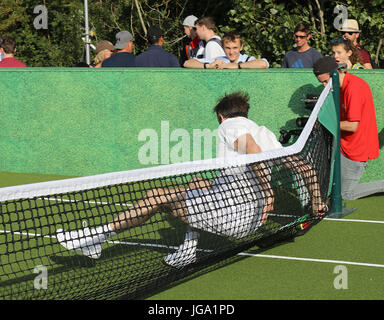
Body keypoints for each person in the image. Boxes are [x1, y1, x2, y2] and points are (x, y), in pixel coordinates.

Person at [57, 91, 326, 268]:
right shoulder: (265, 133)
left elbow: (252, 152)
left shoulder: (229, 126)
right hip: (250, 218)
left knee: (157, 195)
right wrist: (317, 204)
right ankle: (187, 250)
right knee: (197, 184)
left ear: (221, 115)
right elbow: (305, 169)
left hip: (233, 215)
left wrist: (267, 194)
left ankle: (95, 239)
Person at [313, 56, 384, 200]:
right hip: (344, 146)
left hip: (357, 149)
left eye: (326, 81)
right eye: (322, 83)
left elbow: (352, 126)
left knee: (345, 194)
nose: (324, 86)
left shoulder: (354, 88)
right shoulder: (338, 87)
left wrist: (325, 124)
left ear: (336, 72)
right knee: (333, 189)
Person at [184, 31, 269, 69]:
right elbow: (187, 63)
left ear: (241, 47)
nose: (231, 52)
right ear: (223, 47)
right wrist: (209, 66)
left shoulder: (247, 59)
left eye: (235, 48)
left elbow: (263, 64)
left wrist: (237, 66)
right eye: (228, 48)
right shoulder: (218, 60)